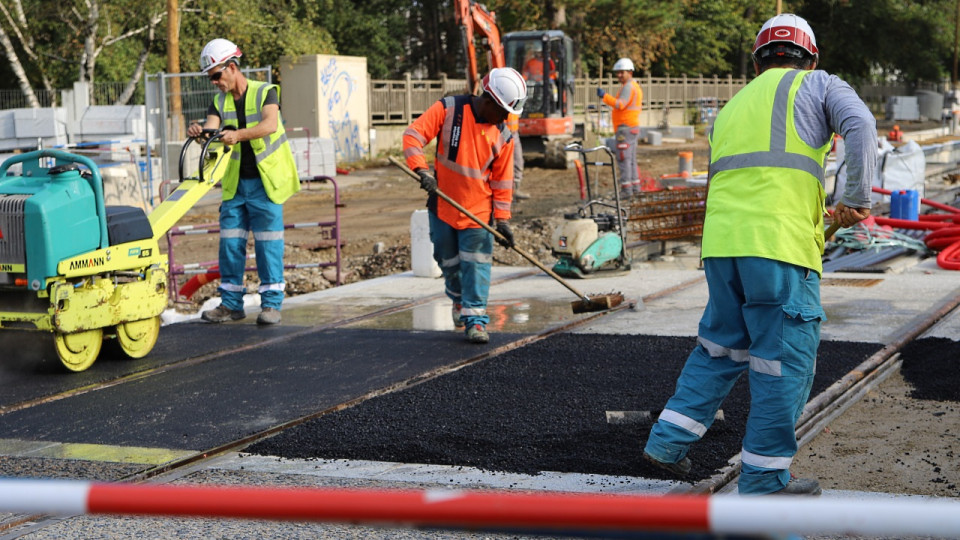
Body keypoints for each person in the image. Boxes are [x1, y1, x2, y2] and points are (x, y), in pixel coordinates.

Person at [642, 14, 876, 496]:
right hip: (779, 250)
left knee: (720, 347)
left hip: (724, 247)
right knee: (782, 362)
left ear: (757, 61)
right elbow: (862, 123)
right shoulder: (819, 85)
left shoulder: (732, 107)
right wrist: (856, 197)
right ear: (811, 57)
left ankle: (667, 443)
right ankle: (766, 479)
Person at [403, 67, 526, 344]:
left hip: (479, 213)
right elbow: (413, 136)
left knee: (477, 265)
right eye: (504, 110)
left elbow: (503, 182)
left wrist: (503, 220)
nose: (506, 118)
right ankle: (458, 300)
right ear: (489, 100)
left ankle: (477, 321)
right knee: (448, 261)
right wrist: (422, 171)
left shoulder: (504, 136)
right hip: (443, 208)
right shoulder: (449, 110)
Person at [187, 38, 300, 326]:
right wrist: (201, 132)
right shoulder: (219, 101)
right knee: (230, 245)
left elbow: (269, 126)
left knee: (268, 245)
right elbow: (212, 131)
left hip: (266, 184)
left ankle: (271, 305)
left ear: (232, 67)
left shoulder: (266, 92)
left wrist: (237, 135)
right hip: (236, 186)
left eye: (216, 75)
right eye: (210, 77)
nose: (214, 82)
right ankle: (231, 305)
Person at [597, 58, 642, 197]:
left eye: (622, 73)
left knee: (624, 159)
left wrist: (604, 96)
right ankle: (635, 187)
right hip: (631, 126)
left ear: (630, 72)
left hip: (625, 127)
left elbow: (620, 104)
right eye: (618, 73)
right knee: (631, 159)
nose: (619, 75)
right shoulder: (633, 86)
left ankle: (627, 190)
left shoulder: (629, 87)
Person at [505, 112, 529, 201]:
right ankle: (506, 193)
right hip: (502, 132)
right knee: (505, 165)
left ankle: (515, 190)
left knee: (518, 162)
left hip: (514, 133)